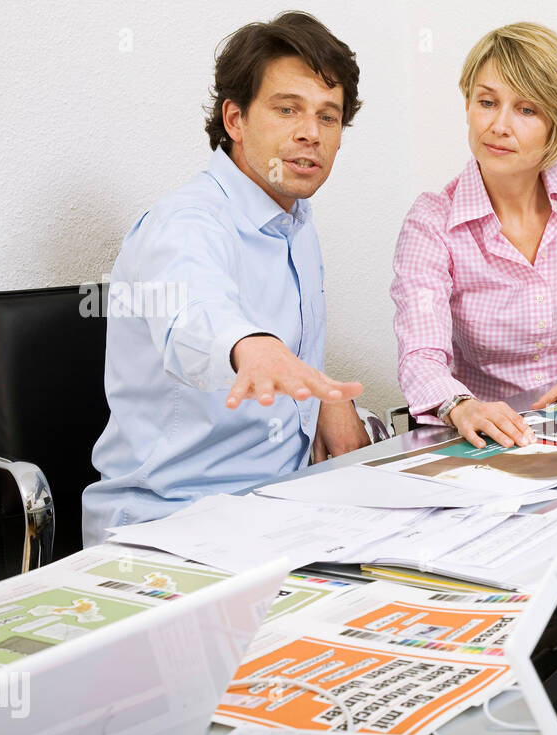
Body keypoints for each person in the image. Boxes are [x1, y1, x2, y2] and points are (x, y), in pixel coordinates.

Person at [83, 12, 369, 545]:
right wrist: (248, 344)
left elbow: (289, 361)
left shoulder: (294, 219)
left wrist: (329, 398)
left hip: (279, 504)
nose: (310, 132)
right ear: (235, 119)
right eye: (288, 110)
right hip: (172, 523)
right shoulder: (184, 222)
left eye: (327, 117)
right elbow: (193, 310)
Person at [391, 22, 557, 450]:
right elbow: (420, 358)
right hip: (490, 440)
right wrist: (460, 405)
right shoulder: (431, 221)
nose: (499, 125)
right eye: (487, 102)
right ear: (467, 106)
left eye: (526, 109)